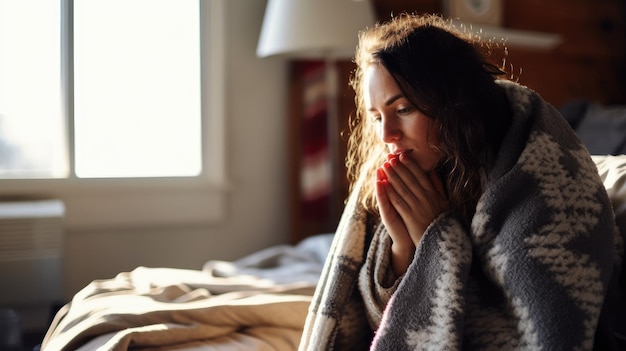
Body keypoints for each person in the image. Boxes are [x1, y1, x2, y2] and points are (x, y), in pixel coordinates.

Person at [298, 13, 624, 350]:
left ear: (454, 103)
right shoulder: (415, 171)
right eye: (377, 116)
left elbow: (533, 334)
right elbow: (381, 328)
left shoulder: (548, 186)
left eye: (404, 109)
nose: (386, 135)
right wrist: (403, 248)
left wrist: (437, 239)